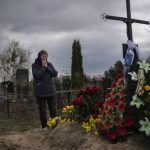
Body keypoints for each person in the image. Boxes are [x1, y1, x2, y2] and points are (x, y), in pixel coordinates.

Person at [32, 50, 58, 128]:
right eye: (42, 56)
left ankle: (55, 125)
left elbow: (55, 73)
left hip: (51, 91)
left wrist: (47, 67)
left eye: (45, 56)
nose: (44, 57)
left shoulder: (49, 64)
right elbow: (37, 75)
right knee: (42, 111)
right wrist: (43, 68)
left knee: (53, 110)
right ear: (39, 57)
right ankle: (44, 127)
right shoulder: (35, 65)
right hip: (40, 92)